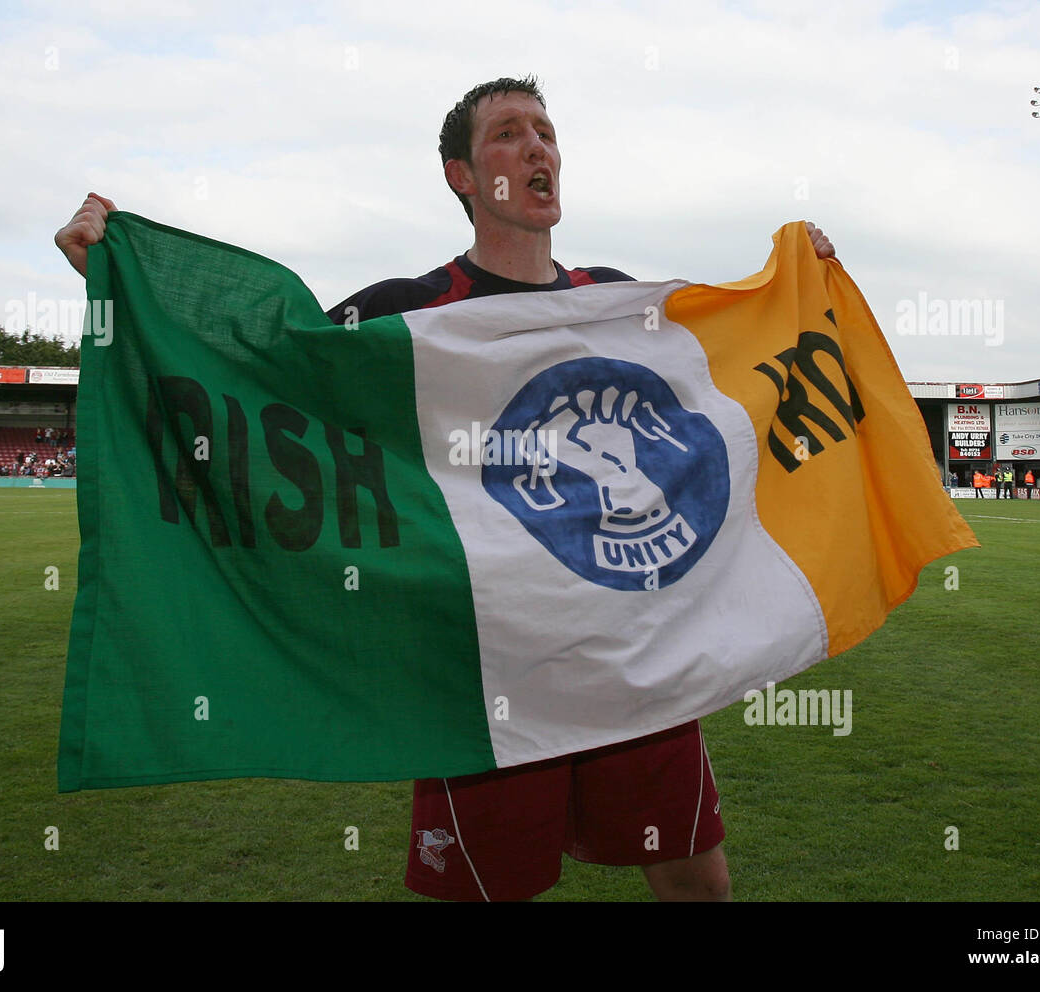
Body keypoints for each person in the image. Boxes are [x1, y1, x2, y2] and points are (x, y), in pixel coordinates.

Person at [52, 75, 839, 902]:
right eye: (507, 133)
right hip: (487, 671)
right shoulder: (407, 315)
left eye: (545, 130)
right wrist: (116, 277)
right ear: (463, 177)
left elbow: (720, 375)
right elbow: (261, 369)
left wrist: (801, 288)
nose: (537, 146)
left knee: (694, 881)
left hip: (632, 652)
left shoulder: (612, 300)